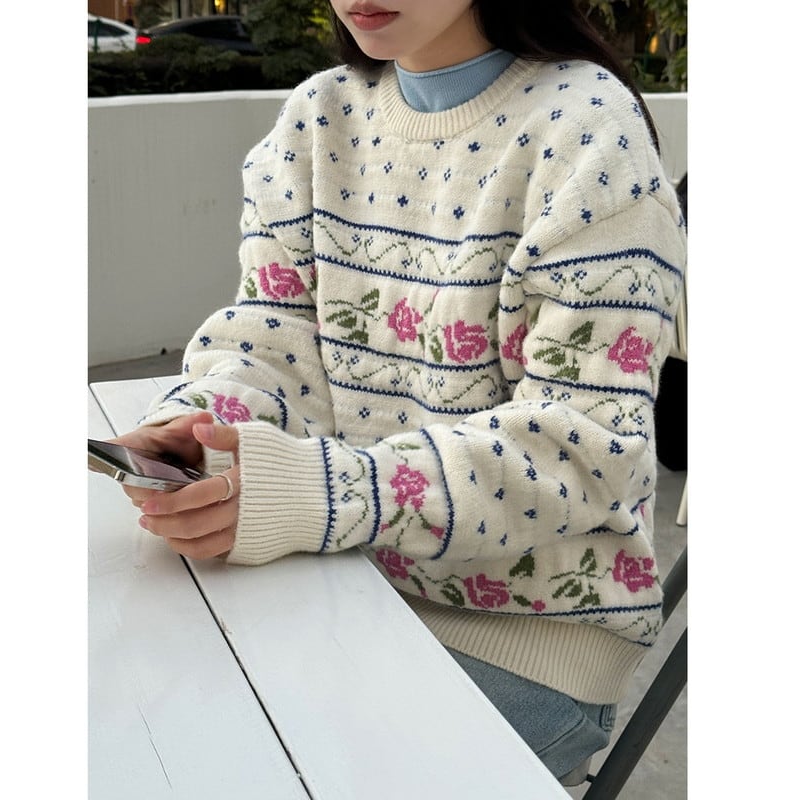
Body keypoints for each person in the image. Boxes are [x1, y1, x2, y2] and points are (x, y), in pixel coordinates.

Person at [114, 0, 686, 783]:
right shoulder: (318, 119)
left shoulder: (589, 133)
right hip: (338, 584)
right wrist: (203, 427)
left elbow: (583, 448)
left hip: (524, 640)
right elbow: (273, 338)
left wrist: (324, 494)